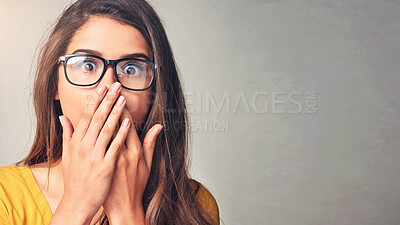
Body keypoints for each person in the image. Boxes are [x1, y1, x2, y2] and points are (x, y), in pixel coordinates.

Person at [0, 0, 220, 224]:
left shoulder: (193, 205)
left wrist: (127, 213)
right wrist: (77, 205)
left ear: (156, 90)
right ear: (54, 84)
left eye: (131, 69)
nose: (109, 89)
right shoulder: (5, 196)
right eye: (87, 65)